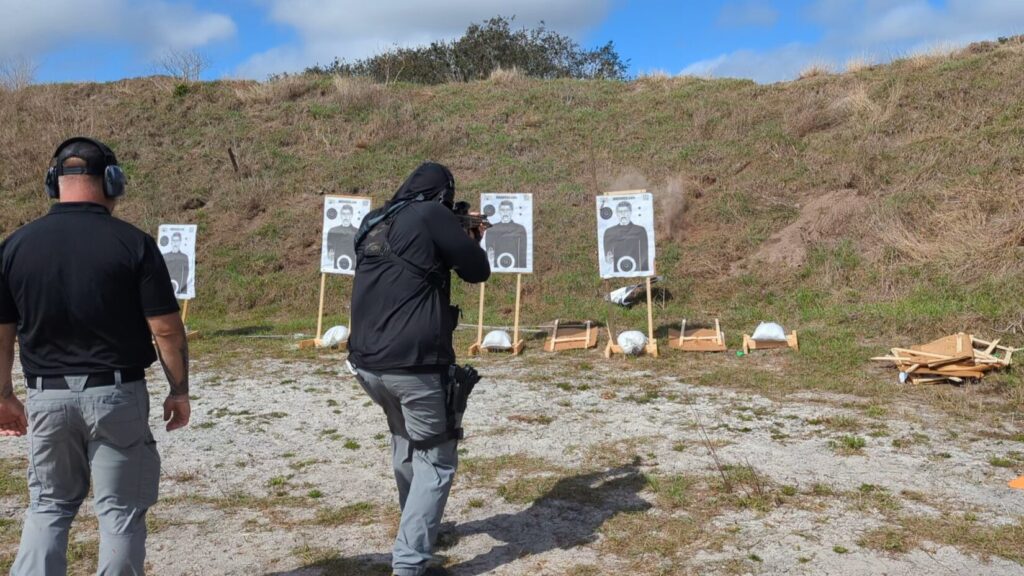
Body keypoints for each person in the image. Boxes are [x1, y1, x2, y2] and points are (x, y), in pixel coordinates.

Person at [0, 137, 190, 575]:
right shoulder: (133, 243)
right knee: (120, 512)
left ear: (53, 183)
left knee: (48, 506)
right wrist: (179, 391)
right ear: (112, 181)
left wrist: (3, 395)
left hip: (46, 396)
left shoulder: (14, 246)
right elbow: (166, 329)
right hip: (116, 395)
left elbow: (2, 333)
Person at [348, 162, 490, 576]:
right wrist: (471, 239)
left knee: (406, 444)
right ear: (443, 196)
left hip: (368, 364)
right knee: (437, 460)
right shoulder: (431, 214)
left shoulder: (375, 221)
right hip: (415, 363)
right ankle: (409, 565)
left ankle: (419, 530)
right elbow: (477, 271)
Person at [603, 201, 650, 274]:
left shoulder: (640, 230)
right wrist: (608, 258)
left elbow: (644, 255)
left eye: (625, 211)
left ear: (630, 212)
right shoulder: (609, 232)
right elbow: (607, 257)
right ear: (617, 214)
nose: (623, 214)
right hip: (617, 270)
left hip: (636, 269)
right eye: (620, 212)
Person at [482, 199, 527, 270]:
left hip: (515, 266)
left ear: (512, 211)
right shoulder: (491, 229)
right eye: (502, 210)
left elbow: (523, 252)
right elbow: (489, 250)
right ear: (499, 212)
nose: (505, 212)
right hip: (497, 266)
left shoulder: (520, 229)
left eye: (508, 210)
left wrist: (522, 269)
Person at [326, 203, 359, 272]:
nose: (346, 217)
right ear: (341, 215)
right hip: (336, 266)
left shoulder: (357, 232)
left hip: (353, 266)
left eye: (348, 214)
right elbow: (330, 250)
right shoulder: (333, 231)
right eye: (344, 214)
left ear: (351, 215)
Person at [162, 231, 190, 295]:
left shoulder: (184, 257)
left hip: (180, 287)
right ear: (171, 242)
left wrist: (180, 288)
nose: (175, 243)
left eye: (177, 241)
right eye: (174, 240)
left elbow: (185, 274)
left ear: (180, 242)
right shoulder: (165, 256)